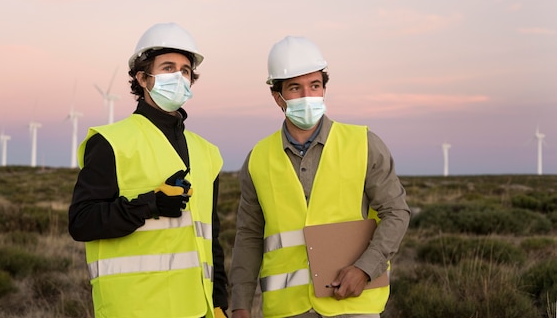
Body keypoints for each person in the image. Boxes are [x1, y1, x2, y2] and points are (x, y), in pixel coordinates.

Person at [229, 36, 410, 318]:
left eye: (314, 86)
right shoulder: (257, 159)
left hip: (352, 304)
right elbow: (249, 236)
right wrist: (240, 303)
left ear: (324, 88)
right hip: (288, 309)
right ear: (277, 97)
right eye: (295, 88)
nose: (307, 96)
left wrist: (365, 268)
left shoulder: (364, 143)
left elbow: (397, 212)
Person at [68, 22, 229, 318]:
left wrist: (219, 301)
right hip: (134, 308)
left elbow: (211, 237)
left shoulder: (208, 153)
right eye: (168, 68)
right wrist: (150, 204)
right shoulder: (111, 143)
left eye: (184, 70)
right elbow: (81, 222)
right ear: (143, 78)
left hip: (197, 309)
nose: (179, 77)